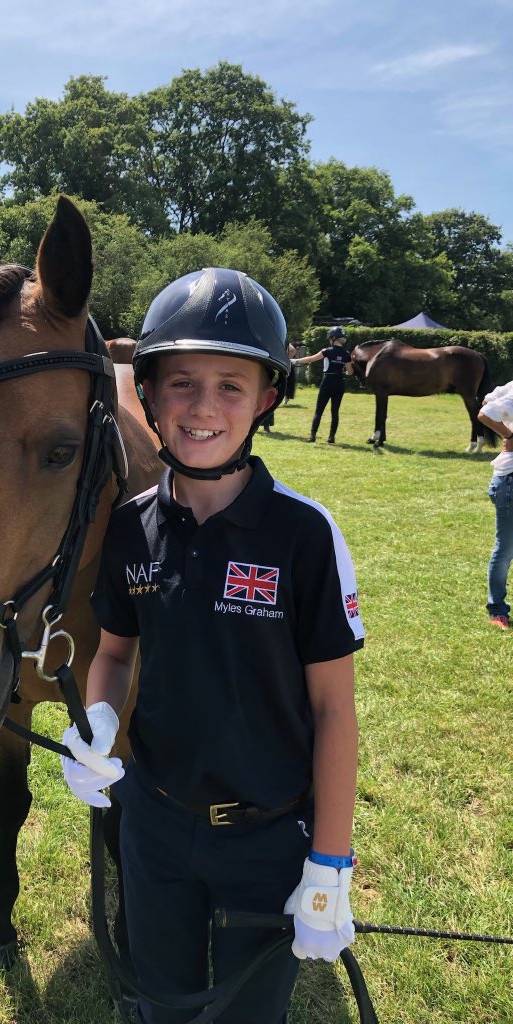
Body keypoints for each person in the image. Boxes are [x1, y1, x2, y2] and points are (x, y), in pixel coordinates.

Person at [61, 269, 365, 1024]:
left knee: (246, 1014)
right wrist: (98, 720)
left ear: (267, 398)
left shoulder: (304, 535)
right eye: (182, 384)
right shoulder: (129, 526)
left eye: (232, 386)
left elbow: (333, 710)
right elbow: (114, 653)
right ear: (151, 397)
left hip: (267, 838)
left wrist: (329, 864)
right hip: (154, 822)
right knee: (159, 1002)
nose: (203, 407)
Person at [478, 381, 513, 630]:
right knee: (506, 549)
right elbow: (485, 413)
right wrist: (510, 435)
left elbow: (487, 400)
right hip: (510, 480)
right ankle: (497, 610)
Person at [292, 326, 353, 443]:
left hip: (328, 382)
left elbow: (311, 359)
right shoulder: (346, 354)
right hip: (340, 383)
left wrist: (295, 361)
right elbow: (350, 372)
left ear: (333, 338)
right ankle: (331, 437)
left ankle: (313, 436)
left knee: (319, 410)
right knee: (335, 411)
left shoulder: (327, 351)